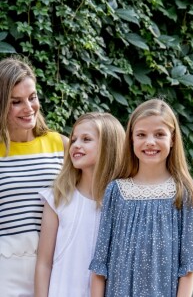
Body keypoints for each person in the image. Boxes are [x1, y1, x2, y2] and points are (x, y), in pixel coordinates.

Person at [89, 98, 193, 297]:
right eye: (141, 134)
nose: (150, 142)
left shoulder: (185, 193)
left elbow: (188, 269)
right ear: (131, 139)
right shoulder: (116, 192)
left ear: (172, 139)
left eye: (159, 134)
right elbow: (100, 264)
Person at [34, 112, 125, 297]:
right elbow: (44, 263)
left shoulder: (123, 203)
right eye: (74, 139)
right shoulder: (57, 198)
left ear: (109, 146)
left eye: (86, 139)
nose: (75, 145)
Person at [0, 56, 68, 297]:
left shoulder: (61, 145)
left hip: (57, 266)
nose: (29, 108)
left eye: (32, 97)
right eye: (16, 102)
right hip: (6, 270)